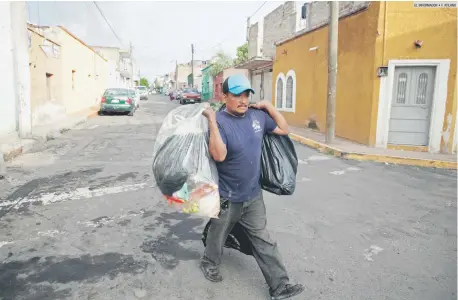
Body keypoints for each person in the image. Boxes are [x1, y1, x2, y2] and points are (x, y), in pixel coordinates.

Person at [201, 74, 305, 300]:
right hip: (226, 196)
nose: (243, 99)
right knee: (218, 235)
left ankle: (280, 286)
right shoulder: (219, 121)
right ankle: (209, 261)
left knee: (263, 238)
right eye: (236, 94)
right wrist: (210, 120)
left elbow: (283, 129)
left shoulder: (257, 117)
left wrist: (269, 106)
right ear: (224, 96)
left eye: (246, 94)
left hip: (253, 195)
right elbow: (219, 155)